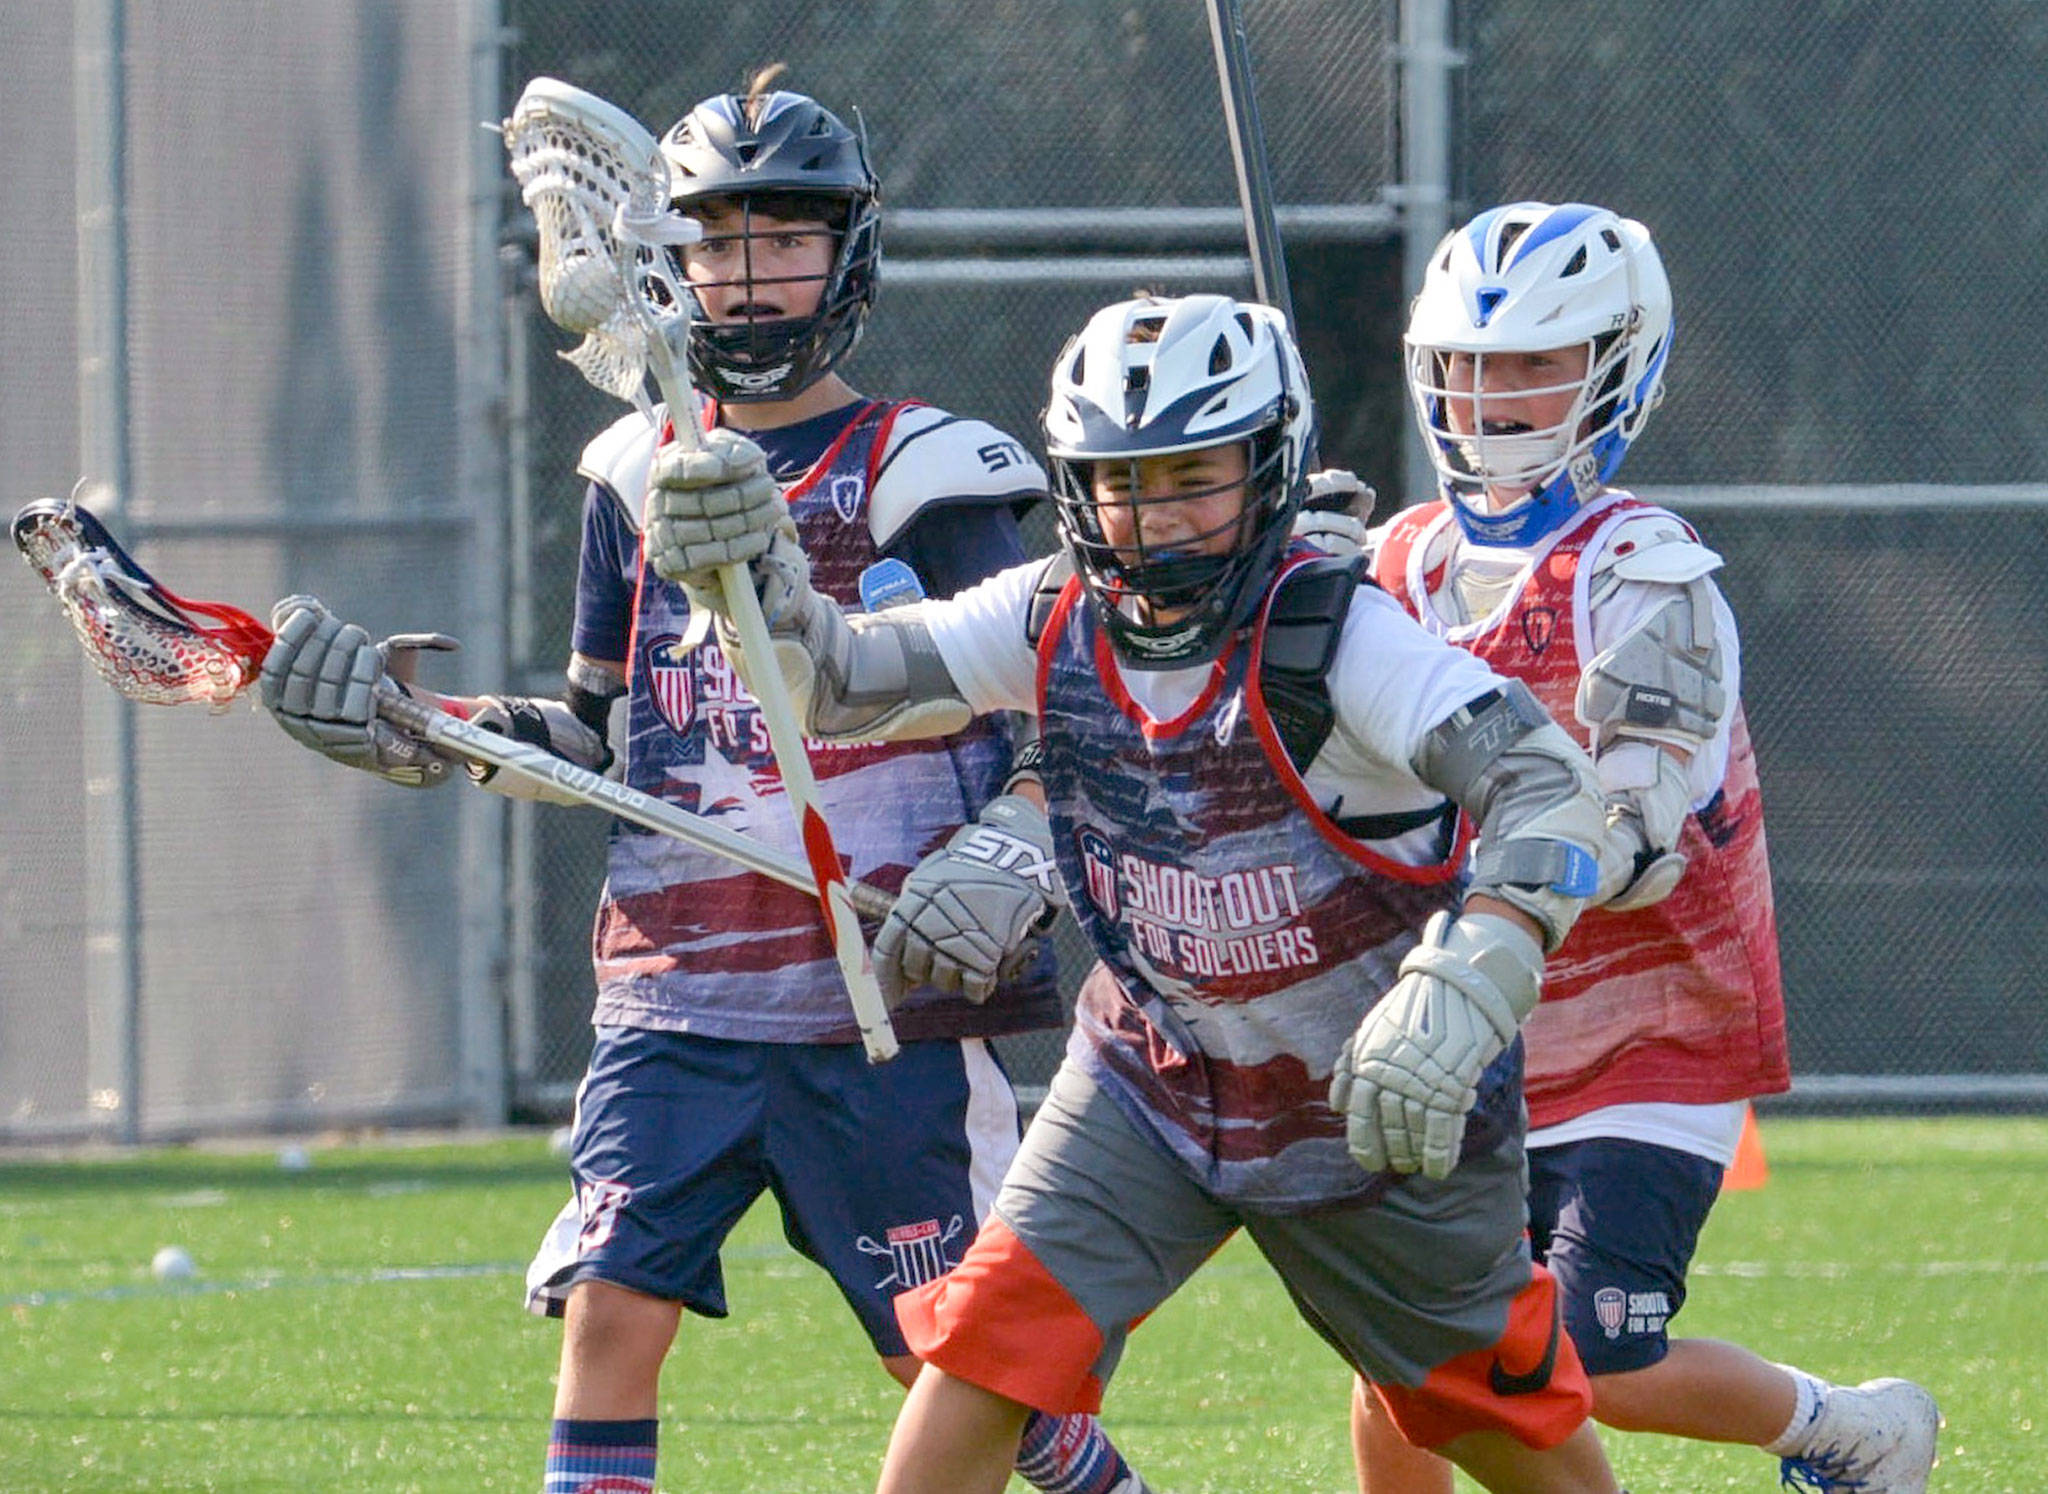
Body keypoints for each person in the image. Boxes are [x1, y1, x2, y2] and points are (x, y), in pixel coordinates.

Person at [257, 70, 1152, 1494]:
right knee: (610, 1314)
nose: (747, 277)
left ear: (846, 250)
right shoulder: (629, 468)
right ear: (668, 266)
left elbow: (1066, 709)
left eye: (783, 237)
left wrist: (1012, 854)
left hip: (882, 998)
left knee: (953, 1367)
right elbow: (601, 737)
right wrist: (425, 726)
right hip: (671, 999)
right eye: (717, 243)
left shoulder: (929, 468)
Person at [646, 288, 1639, 1494]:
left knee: (1493, 1423)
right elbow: (843, 684)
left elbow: (1548, 787)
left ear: (1267, 469)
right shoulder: (1053, 610)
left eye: (1189, 479)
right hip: (1150, 1084)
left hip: (1374, 1111)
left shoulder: (1333, 638)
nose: (1148, 519)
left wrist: (1474, 975)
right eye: (1119, 483)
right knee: (986, 1355)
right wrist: (754, 580)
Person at [1340, 200, 1941, 1494]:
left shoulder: (1647, 574)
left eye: (1535, 363)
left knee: (1594, 1353)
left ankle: (1849, 1427)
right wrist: (1304, 612)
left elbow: (1633, 836)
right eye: (1472, 362)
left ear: (1618, 365)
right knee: (1400, 1340)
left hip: (1647, 1029)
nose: (1494, 394)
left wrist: (1491, 913)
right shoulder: (1396, 561)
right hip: (1473, 1023)